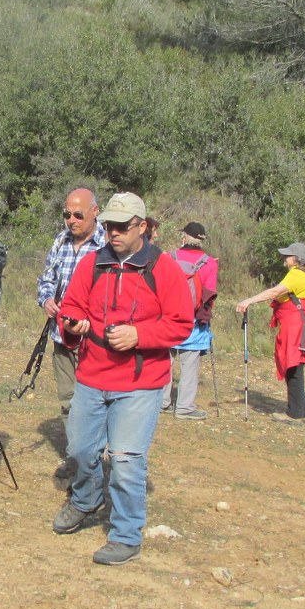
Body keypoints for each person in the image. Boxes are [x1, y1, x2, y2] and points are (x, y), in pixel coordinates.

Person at [52, 192, 194, 565]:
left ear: (143, 227)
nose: (112, 232)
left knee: (128, 459)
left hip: (141, 382)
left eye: (120, 226)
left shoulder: (164, 269)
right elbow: (71, 306)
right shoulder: (93, 263)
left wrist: (139, 336)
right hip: (92, 375)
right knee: (80, 450)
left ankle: (126, 534)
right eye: (108, 226)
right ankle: (86, 498)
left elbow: (181, 323)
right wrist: (72, 323)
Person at [35, 188, 104, 482]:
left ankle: (96, 459)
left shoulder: (107, 246)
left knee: (95, 401)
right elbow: (46, 279)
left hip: (94, 341)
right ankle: (75, 456)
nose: (71, 220)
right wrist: (47, 298)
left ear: (95, 211)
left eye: (78, 214)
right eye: (67, 214)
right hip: (61, 337)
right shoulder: (60, 241)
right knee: (68, 400)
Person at [235, 242, 305, 421]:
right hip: (302, 327)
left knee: (293, 365)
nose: (284, 259)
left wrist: (249, 300)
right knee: (296, 365)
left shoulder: (296, 275)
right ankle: (302, 409)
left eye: (287, 256)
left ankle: (295, 413)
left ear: (296, 259)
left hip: (295, 327)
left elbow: (275, 292)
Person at [163, 222, 219, 420]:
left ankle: (162, 402)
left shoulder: (169, 257)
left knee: (164, 361)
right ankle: (185, 408)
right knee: (190, 365)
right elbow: (209, 294)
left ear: (185, 237)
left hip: (168, 318)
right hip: (193, 322)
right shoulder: (210, 262)